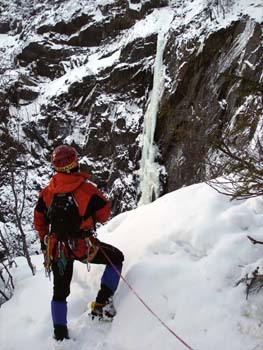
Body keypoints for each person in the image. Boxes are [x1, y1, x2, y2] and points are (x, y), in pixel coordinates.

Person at [34, 145, 124, 341]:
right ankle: (101, 304)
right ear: (75, 163)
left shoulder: (47, 193)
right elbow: (104, 215)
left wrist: (44, 242)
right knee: (116, 258)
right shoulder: (87, 190)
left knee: (59, 293)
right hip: (82, 246)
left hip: (58, 250)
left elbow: (39, 221)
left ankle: (59, 334)